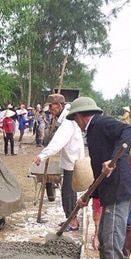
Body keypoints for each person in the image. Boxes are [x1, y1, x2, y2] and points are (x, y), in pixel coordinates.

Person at [68, 97, 131, 259]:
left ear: (81, 116)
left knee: (113, 236)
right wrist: (88, 196)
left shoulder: (101, 123)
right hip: (109, 191)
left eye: (75, 119)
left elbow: (129, 130)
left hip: (119, 190)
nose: (76, 124)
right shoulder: (93, 132)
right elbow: (99, 172)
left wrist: (113, 160)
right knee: (105, 236)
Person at [32, 93, 84, 232]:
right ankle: (70, 219)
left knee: (68, 193)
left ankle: (73, 222)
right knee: (68, 192)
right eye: (49, 106)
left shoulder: (68, 120)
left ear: (60, 106)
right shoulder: (63, 118)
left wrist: (42, 155)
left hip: (73, 162)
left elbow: (58, 142)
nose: (50, 109)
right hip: (70, 161)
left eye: (52, 106)